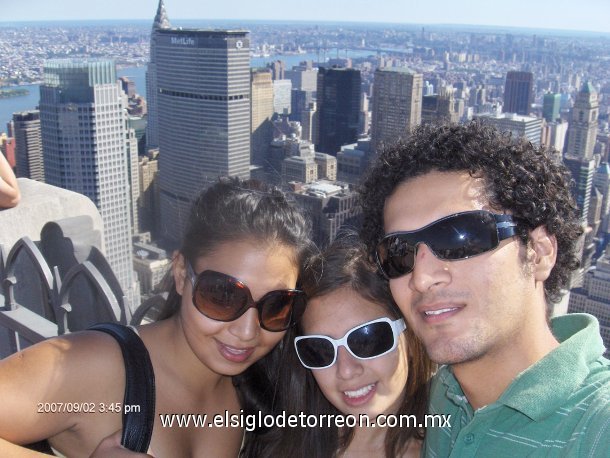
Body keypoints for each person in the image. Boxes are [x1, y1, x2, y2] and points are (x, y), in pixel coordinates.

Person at [0, 178, 312, 457]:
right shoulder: (100, 366)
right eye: (223, 294)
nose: (247, 331)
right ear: (180, 272)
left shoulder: (262, 389)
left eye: (276, 305)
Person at [358, 121, 610, 457]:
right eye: (400, 254)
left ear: (540, 252)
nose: (421, 278)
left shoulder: (597, 426)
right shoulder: (436, 400)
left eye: (461, 239)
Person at [244, 234, 434, 457]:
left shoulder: (450, 446)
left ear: (410, 337)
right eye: (319, 350)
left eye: (366, 339)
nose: (346, 370)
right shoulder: (274, 449)